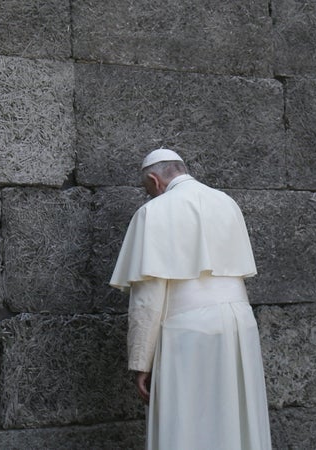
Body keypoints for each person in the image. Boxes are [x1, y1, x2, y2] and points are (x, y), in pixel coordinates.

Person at [109, 148, 272, 450]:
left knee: (187, 426)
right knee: (235, 418)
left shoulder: (153, 212)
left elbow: (149, 297)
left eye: (148, 190)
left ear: (155, 181)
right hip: (240, 325)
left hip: (188, 330)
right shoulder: (226, 202)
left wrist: (141, 362)